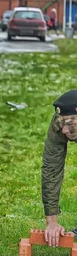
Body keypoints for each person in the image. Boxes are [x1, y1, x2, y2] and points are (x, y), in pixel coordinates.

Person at [42, 90, 77, 247]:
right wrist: (52, 220)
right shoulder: (61, 119)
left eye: (70, 124)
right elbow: (51, 169)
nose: (64, 130)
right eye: (62, 124)